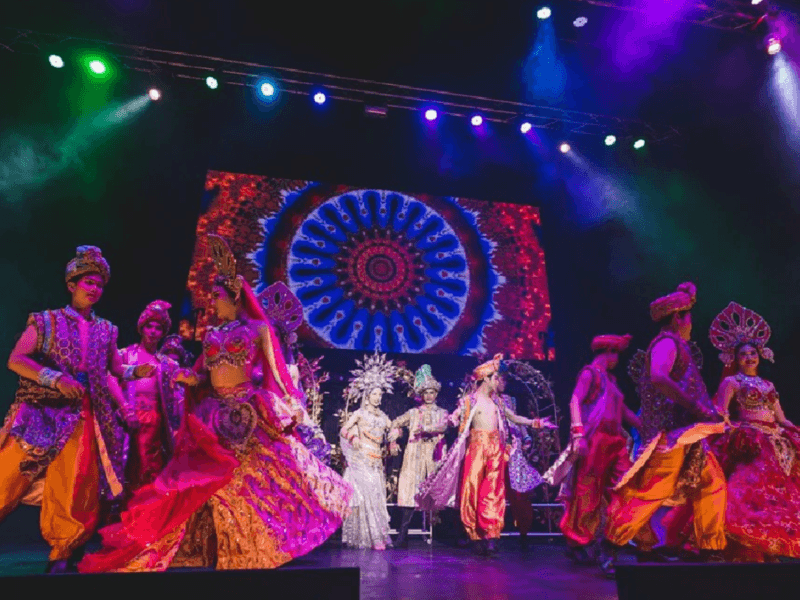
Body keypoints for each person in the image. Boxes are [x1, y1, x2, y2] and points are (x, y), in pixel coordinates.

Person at [79, 235, 352, 572]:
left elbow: (276, 373)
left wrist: (290, 405)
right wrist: (180, 377)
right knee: (207, 485)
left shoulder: (257, 330)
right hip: (213, 416)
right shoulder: (211, 335)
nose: (213, 303)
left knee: (257, 481)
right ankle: (211, 549)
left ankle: (252, 548)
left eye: (218, 297)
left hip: (247, 413)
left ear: (235, 297)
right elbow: (200, 377)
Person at [0, 245, 153, 573]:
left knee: (73, 485)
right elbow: (17, 359)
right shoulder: (45, 321)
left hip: (84, 415)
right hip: (42, 413)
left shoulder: (107, 330)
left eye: (99, 285)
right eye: (88, 283)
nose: (95, 290)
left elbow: (111, 370)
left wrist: (132, 374)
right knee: (8, 473)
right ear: (72, 285)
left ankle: (62, 552)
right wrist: (54, 379)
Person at [602, 283, 727, 577]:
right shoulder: (666, 343)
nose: (691, 324)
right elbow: (659, 376)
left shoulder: (677, 345)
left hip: (690, 432)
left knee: (713, 483)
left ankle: (711, 549)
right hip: (670, 433)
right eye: (688, 317)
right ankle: (611, 544)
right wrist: (692, 404)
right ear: (677, 318)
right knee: (652, 490)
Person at [416, 354, 555, 556]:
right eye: (496, 377)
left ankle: (491, 534)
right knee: (471, 491)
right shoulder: (469, 401)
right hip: (476, 448)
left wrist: (537, 423)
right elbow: (452, 420)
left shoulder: (497, 402)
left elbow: (514, 417)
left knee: (493, 492)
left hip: (495, 449)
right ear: (487, 378)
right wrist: (436, 425)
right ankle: (475, 534)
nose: (499, 381)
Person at [709, 302, 800, 561]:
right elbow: (721, 410)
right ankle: (748, 545)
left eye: (753, 353)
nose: (749, 358)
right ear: (735, 359)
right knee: (748, 492)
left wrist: (792, 430)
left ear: (760, 355)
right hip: (751, 440)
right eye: (743, 355)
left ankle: (772, 545)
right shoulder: (731, 382)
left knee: (780, 496)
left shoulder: (768, 384)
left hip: (775, 442)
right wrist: (730, 428)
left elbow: (781, 417)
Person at [555, 334, 639, 564]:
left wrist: (645, 426)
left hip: (615, 441)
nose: (617, 360)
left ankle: (611, 535)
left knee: (625, 485)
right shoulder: (589, 374)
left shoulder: (611, 379)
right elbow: (575, 401)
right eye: (617, 355)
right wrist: (578, 434)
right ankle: (578, 540)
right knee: (587, 490)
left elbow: (623, 411)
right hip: (596, 440)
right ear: (609, 352)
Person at [119, 301, 184, 492]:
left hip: (153, 420)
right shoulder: (124, 355)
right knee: (124, 462)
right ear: (141, 328)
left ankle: (144, 505)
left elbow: (176, 398)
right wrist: (124, 410)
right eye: (149, 326)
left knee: (149, 464)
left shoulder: (168, 364)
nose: (153, 331)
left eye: (158, 328)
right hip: (125, 416)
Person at [339, 353, 398, 550]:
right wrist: (353, 437)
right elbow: (343, 430)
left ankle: (378, 536)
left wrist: (394, 438)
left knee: (377, 497)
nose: (378, 397)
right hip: (361, 459)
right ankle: (370, 538)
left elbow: (394, 428)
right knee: (366, 498)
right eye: (374, 393)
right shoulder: (359, 413)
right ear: (367, 395)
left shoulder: (383, 416)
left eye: (380, 394)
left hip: (376, 461)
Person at [388, 364, 449, 548]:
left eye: (432, 392)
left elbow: (444, 427)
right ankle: (403, 534)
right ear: (421, 394)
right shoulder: (414, 413)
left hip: (434, 455)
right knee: (410, 491)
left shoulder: (442, 413)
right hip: (414, 454)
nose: (429, 396)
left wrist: (427, 429)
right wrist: (394, 438)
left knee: (437, 491)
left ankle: (444, 535)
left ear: (436, 394)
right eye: (426, 392)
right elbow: (395, 423)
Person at [497, 371, 545, 551]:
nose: (503, 382)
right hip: (494, 447)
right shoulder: (484, 398)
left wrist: (525, 437)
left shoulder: (509, 399)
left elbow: (514, 419)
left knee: (519, 491)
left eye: (504, 379)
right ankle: (490, 534)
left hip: (512, 447)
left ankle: (524, 532)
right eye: (500, 378)